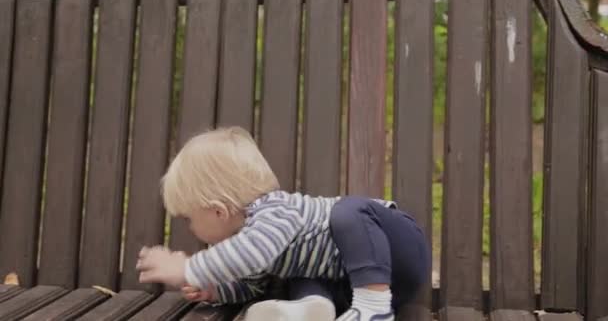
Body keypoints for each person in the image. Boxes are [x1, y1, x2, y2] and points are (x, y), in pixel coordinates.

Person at [136, 126, 430, 321]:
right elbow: (251, 287)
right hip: (358, 285)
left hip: (395, 247)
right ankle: (311, 310)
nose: (190, 228)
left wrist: (187, 268)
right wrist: (215, 290)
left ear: (219, 211)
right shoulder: (249, 246)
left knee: (347, 212)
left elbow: (252, 252)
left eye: (189, 218)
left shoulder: (275, 211)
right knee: (300, 277)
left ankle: (374, 310)